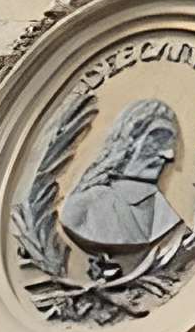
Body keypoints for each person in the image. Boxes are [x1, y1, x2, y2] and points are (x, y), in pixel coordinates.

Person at [60, 97, 188, 256]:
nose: (169, 154)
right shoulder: (84, 208)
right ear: (129, 139)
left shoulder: (169, 219)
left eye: (170, 144)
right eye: (157, 140)